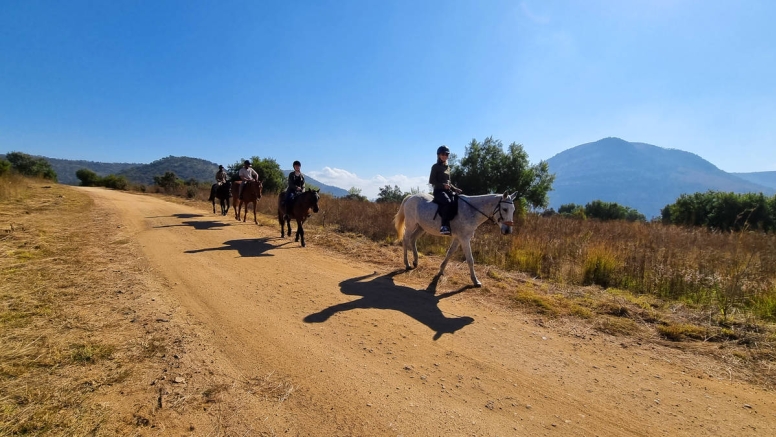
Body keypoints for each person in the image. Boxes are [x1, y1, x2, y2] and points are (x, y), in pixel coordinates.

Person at [429, 145, 462, 235]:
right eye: (443, 154)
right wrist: (443, 186)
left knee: (457, 201)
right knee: (447, 202)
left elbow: (449, 182)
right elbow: (432, 181)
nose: (445, 156)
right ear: (439, 155)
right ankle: (444, 226)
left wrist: (455, 189)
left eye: (446, 154)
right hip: (438, 191)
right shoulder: (435, 167)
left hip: (447, 190)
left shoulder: (448, 167)